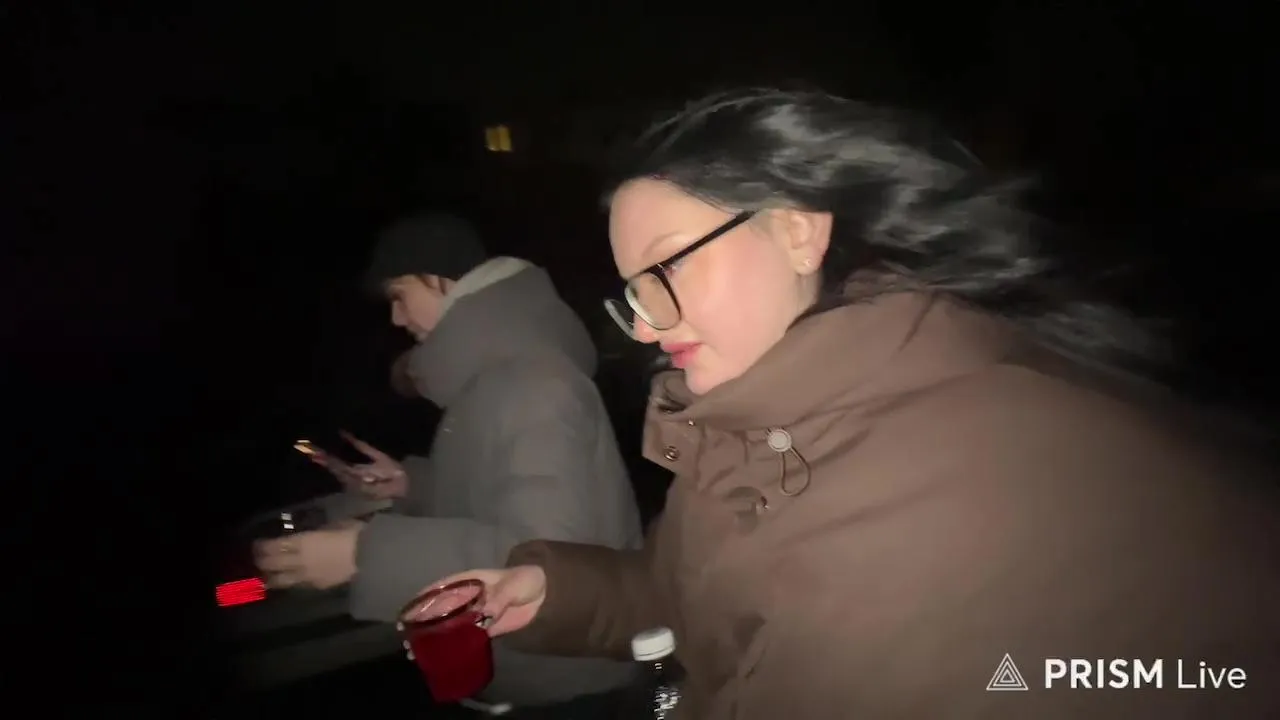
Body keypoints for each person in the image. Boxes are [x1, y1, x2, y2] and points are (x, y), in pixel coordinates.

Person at [421, 88, 1280, 718]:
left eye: (669, 266)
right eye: (634, 290)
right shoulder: (773, 410)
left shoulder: (920, 497)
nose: (646, 325)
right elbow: (698, 593)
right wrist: (557, 591)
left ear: (798, 230)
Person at [255, 213, 643, 706]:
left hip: (569, 689)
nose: (396, 319)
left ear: (440, 277)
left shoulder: (534, 384)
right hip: (530, 678)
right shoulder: (493, 383)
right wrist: (411, 485)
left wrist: (363, 555)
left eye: (400, 295)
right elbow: (496, 498)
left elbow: (544, 558)